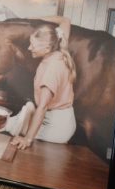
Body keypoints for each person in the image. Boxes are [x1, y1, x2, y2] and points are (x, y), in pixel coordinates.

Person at [10, 16, 77, 150]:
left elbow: (42, 107)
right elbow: (65, 21)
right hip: (61, 119)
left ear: (47, 48)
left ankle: (22, 118)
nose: (29, 48)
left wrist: (27, 139)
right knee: (17, 123)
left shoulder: (51, 70)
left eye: (33, 45)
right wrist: (36, 18)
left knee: (14, 129)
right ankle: (24, 115)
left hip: (58, 127)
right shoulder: (59, 45)